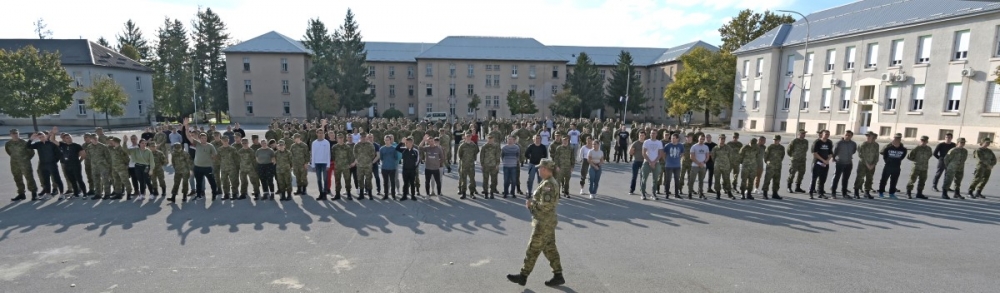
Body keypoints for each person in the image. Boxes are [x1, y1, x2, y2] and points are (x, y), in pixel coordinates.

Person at [506, 158, 565, 287]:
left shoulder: (548, 184)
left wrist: (531, 206)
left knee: (532, 249)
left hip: (543, 222)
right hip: (547, 221)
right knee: (550, 248)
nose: (538, 169)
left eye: (540, 168)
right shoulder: (547, 182)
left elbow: (546, 206)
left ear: (545, 169)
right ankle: (558, 275)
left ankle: (523, 276)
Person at [186, 126, 220, 200]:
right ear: (199, 139)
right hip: (197, 167)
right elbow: (188, 136)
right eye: (202, 138)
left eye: (205, 138)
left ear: (207, 138)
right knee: (199, 182)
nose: (203, 139)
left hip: (207, 167)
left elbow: (215, 156)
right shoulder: (197, 144)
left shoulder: (210, 146)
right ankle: (198, 195)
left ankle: (214, 194)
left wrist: (213, 157)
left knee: (212, 182)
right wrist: (186, 127)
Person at [29, 131, 64, 198]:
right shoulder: (38, 144)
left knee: (57, 179)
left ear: (45, 136)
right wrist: (31, 139)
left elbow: (59, 154)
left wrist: (54, 161)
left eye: (42, 136)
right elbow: (28, 146)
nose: (41, 138)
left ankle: (61, 194)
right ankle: (48, 194)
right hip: (43, 165)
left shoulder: (51, 143)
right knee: (46, 180)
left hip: (52, 164)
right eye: (40, 137)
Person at [7, 129, 38, 201]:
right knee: (17, 178)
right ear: (10, 135)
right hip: (14, 164)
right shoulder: (8, 144)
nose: (15, 135)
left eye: (16, 133)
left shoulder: (24, 143)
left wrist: (25, 159)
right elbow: (9, 152)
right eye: (13, 134)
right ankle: (21, 194)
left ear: (18, 134)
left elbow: (31, 152)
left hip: (25, 163)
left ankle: (34, 193)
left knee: (29, 178)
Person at [55, 131, 86, 198]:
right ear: (64, 139)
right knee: (72, 180)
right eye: (67, 138)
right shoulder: (62, 145)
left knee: (79, 179)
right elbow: (52, 140)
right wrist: (53, 133)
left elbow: (83, 154)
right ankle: (75, 194)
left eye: (70, 137)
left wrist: (79, 161)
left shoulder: (76, 146)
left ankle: (84, 194)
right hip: (67, 165)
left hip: (76, 165)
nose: (69, 139)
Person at [878, 133, 908, 199]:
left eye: (898, 138)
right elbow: (884, 154)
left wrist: (897, 161)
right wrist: (887, 161)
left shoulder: (903, 149)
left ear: (900, 139)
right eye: (895, 138)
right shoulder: (888, 147)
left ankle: (892, 193)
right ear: (893, 138)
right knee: (884, 180)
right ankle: (881, 192)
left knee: (894, 181)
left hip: (897, 167)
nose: (896, 139)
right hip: (888, 166)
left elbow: (902, 156)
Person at [830, 131, 857, 198]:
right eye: (846, 135)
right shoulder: (839, 143)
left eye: (849, 135)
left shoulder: (853, 144)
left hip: (849, 163)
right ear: (844, 135)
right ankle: (833, 193)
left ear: (851, 136)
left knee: (845, 179)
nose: (847, 136)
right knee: (836, 178)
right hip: (840, 162)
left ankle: (844, 193)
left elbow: (853, 151)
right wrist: (834, 158)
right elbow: (834, 151)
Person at [639, 130, 663, 200]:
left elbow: (660, 154)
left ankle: (653, 194)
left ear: (656, 134)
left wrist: (654, 162)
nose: (652, 134)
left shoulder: (659, 142)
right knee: (644, 178)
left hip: (656, 162)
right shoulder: (646, 142)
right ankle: (643, 193)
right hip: (647, 162)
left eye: (654, 133)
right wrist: (650, 162)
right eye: (651, 133)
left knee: (655, 179)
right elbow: (643, 153)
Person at [809, 130, 833, 199]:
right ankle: (811, 192)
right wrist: (823, 160)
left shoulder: (829, 142)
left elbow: (831, 153)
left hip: (825, 163)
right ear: (822, 134)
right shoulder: (817, 142)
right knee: (814, 178)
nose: (827, 135)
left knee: (823, 179)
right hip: (817, 162)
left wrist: (827, 160)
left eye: (828, 134)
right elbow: (815, 153)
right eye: (825, 134)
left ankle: (821, 193)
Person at [353, 133, 378, 200]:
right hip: (360, 166)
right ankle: (361, 194)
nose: (363, 138)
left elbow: (373, 154)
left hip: (368, 165)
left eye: (364, 137)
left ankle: (370, 194)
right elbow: (355, 154)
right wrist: (359, 160)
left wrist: (368, 160)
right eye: (362, 137)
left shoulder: (370, 145)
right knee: (360, 180)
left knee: (368, 179)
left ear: (365, 137)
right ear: (360, 137)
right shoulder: (357, 145)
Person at [711, 134, 735, 200]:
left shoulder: (728, 148)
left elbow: (731, 157)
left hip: (726, 166)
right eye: (721, 139)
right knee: (717, 180)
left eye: (723, 139)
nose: (722, 140)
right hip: (717, 167)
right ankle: (718, 193)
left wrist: (728, 164)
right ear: (718, 140)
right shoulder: (715, 148)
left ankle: (729, 193)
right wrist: (717, 163)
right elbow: (713, 157)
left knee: (727, 179)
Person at [332, 133, 355, 200]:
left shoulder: (347, 147)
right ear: (337, 139)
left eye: (341, 138)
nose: (340, 139)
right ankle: (337, 194)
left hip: (345, 166)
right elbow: (333, 156)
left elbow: (350, 156)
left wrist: (349, 164)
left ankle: (348, 194)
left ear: (344, 138)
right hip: (337, 166)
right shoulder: (334, 147)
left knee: (347, 180)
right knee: (337, 181)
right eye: (339, 138)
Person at [458, 133, 480, 198]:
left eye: (469, 136)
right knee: (463, 179)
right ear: (465, 137)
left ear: (471, 137)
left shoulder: (473, 145)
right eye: (467, 136)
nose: (468, 137)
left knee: (472, 179)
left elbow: (476, 151)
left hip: (471, 165)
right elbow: (460, 154)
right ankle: (463, 193)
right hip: (464, 165)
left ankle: (472, 193)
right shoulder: (462, 145)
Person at [687, 134, 710, 199]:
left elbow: (707, 156)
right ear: (698, 139)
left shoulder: (706, 147)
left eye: (703, 139)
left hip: (703, 166)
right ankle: (690, 193)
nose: (702, 140)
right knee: (692, 180)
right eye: (700, 139)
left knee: (701, 180)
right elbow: (691, 156)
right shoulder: (694, 146)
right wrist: (698, 163)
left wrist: (704, 162)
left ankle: (700, 193)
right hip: (695, 166)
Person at [311, 130, 330, 199]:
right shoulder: (314, 143)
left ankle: (325, 193)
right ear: (317, 134)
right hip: (317, 163)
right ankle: (321, 193)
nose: (321, 134)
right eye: (319, 133)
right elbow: (313, 154)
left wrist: (328, 164)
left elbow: (328, 154)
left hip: (324, 163)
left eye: (322, 133)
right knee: (319, 179)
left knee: (325, 179)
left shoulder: (326, 142)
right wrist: (313, 165)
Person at [663, 133, 684, 199]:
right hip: (669, 165)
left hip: (677, 165)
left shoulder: (680, 145)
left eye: (674, 138)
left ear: (677, 139)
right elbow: (663, 154)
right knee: (668, 180)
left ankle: (676, 194)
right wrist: (665, 160)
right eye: (671, 138)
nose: (672, 139)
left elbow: (682, 153)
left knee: (677, 180)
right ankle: (667, 194)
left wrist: (679, 158)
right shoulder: (668, 145)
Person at [379, 135, 399, 200]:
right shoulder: (382, 149)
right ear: (384, 140)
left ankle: (393, 195)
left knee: (392, 181)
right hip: (384, 168)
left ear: (390, 140)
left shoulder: (394, 149)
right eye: (385, 140)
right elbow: (381, 158)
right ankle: (386, 195)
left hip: (392, 168)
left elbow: (396, 157)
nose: (387, 141)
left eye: (388, 140)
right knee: (385, 182)